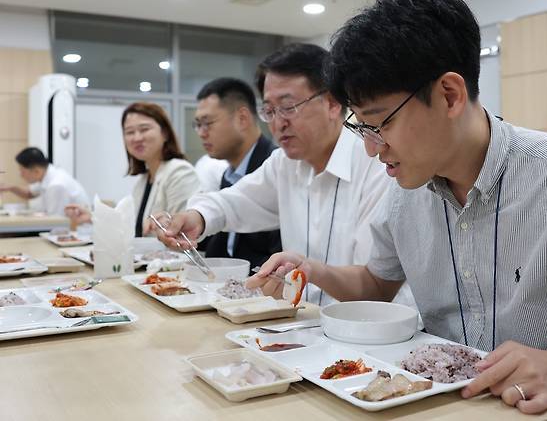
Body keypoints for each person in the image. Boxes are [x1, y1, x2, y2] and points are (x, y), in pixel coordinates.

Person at [245, 0, 547, 420]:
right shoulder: (405, 192)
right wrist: (313, 270)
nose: (372, 148)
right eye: (361, 127)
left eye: (380, 123)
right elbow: (376, 283)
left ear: (449, 95)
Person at [149, 43, 396, 307]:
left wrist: (311, 270)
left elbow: (375, 283)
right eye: (269, 110)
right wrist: (196, 217)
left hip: (371, 332)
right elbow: (235, 202)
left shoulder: (376, 162)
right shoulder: (284, 163)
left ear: (332, 104)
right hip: (301, 325)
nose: (278, 123)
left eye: (288, 107)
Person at [66, 102, 200, 237]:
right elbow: (129, 225)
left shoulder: (180, 172)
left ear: (165, 133)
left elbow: (182, 233)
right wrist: (91, 217)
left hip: (175, 257)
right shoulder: (143, 180)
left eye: (144, 129)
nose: (137, 138)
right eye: (130, 132)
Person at [193, 77, 281, 267]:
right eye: (198, 124)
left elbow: (279, 257)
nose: (201, 133)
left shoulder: (275, 167)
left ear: (242, 118)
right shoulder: (229, 174)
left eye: (208, 123)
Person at [0, 147, 89, 216]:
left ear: (36, 171)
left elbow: (55, 221)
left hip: (77, 234)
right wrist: (10, 187)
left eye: (22, 171)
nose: (21, 175)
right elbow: (29, 193)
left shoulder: (56, 185)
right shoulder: (47, 175)